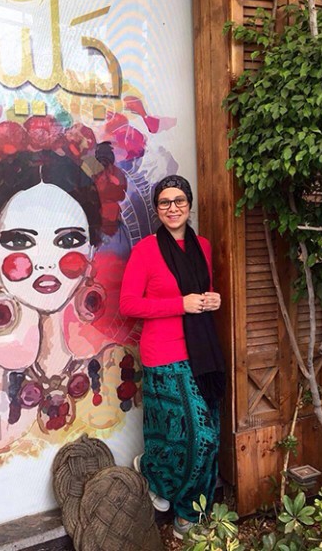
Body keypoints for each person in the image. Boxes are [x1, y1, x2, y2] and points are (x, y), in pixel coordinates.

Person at [0, 117, 140, 452]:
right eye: (20, 241)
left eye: (68, 241)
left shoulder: (116, 369)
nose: (47, 262)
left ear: (91, 251)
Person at [119, 174, 225, 539]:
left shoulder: (203, 246)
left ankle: (188, 513)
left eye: (179, 200)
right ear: (157, 209)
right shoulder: (145, 250)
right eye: (165, 202)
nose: (173, 208)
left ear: (189, 205)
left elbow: (201, 291)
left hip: (202, 353)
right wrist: (180, 304)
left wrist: (212, 299)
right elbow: (128, 304)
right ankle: (154, 469)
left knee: (207, 436)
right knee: (194, 437)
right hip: (164, 355)